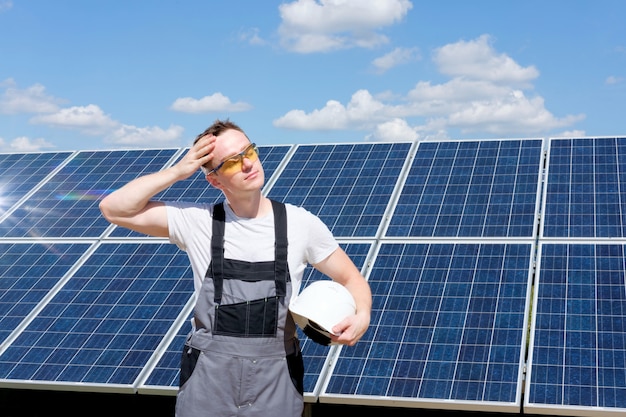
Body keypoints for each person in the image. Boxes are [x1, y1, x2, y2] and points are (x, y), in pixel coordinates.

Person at [99, 119, 372, 417]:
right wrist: (178, 172)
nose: (246, 164)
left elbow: (352, 279)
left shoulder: (300, 223)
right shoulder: (196, 221)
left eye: (249, 152)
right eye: (231, 163)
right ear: (214, 180)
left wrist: (363, 316)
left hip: (277, 383)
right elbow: (113, 208)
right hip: (208, 384)